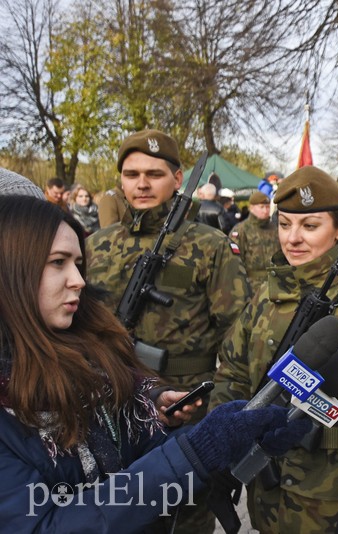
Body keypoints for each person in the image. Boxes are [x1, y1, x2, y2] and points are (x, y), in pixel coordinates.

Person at [0, 195, 309, 532]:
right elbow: (45, 525)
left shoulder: (84, 363)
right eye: (58, 262)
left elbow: (121, 469)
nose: (79, 280)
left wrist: (227, 443)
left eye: (77, 263)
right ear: (11, 269)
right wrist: (193, 454)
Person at [211, 166, 338, 533]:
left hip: (326, 503)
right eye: (285, 224)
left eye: (310, 226)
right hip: (266, 500)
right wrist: (223, 444)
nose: (293, 239)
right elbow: (232, 374)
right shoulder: (264, 300)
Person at [85, 129, 252, 533]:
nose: (141, 183)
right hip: (108, 407)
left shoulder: (209, 245)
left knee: (185, 519)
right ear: (120, 179)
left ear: (178, 179)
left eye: (154, 174)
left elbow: (239, 337)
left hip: (184, 411)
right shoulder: (94, 246)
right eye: (131, 173)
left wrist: (221, 413)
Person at [229, 191, 279, 287]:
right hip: (252, 284)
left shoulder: (275, 228)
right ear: (251, 208)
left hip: (275, 283)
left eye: (267, 207)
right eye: (261, 207)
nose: (265, 210)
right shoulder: (241, 230)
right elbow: (234, 261)